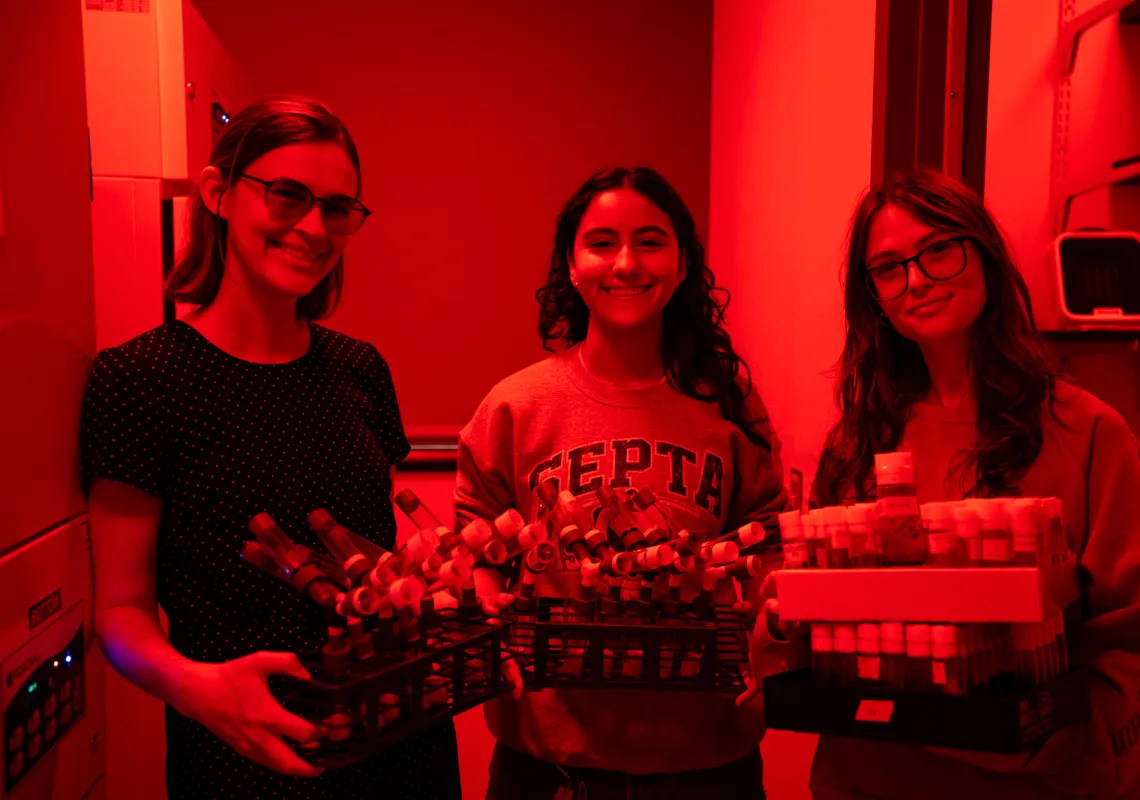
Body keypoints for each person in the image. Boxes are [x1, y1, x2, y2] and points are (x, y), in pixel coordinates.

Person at [81, 96, 461, 800]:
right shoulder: (140, 380)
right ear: (218, 194)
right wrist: (202, 692)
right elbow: (121, 614)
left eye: (337, 208)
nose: (314, 228)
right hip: (249, 750)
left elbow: (376, 556)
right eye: (288, 196)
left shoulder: (360, 369)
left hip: (402, 735)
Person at [454, 166, 793, 799]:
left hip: (705, 759)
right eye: (602, 242)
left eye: (651, 241)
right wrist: (484, 600)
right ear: (572, 266)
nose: (627, 263)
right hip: (551, 763)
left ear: (684, 264)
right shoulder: (514, 407)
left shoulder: (729, 403)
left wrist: (765, 631)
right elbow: (472, 548)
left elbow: (769, 541)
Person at [807, 169, 1140, 799]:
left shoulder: (1089, 431)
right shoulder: (856, 442)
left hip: (1032, 777)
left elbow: (1126, 641)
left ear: (983, 251)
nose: (918, 281)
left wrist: (1070, 746)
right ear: (871, 295)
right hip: (865, 776)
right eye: (887, 267)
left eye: (937, 250)